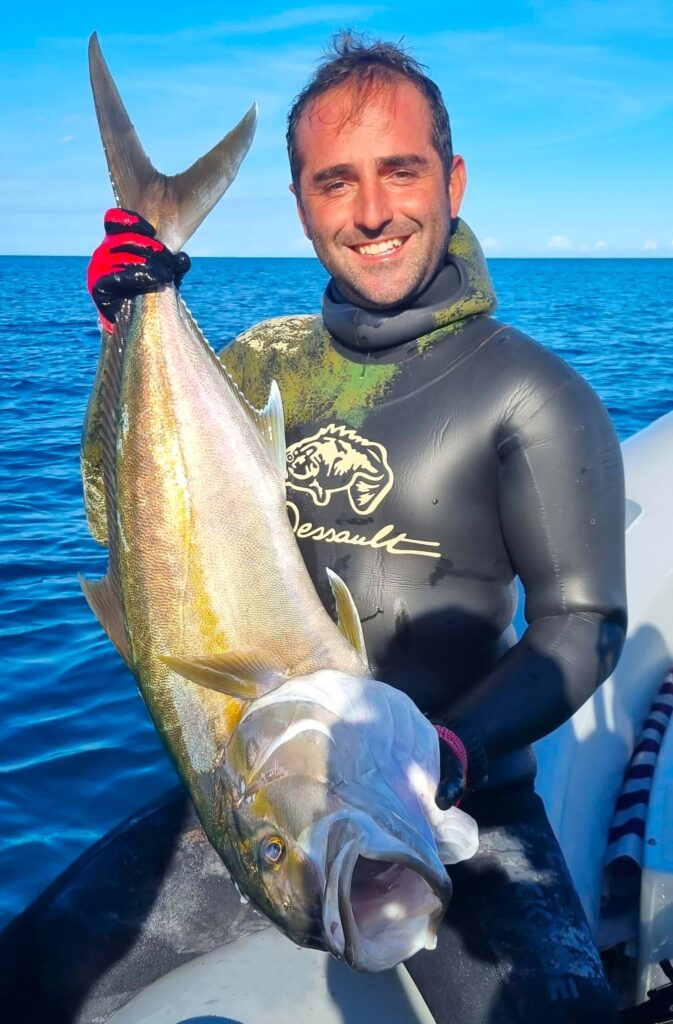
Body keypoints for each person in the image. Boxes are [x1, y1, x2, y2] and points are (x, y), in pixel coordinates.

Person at [85, 33, 627, 1024]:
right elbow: (109, 514)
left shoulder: (532, 394)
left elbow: (581, 623)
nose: (372, 211)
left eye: (401, 171)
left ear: (452, 178)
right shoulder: (258, 364)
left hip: (469, 801)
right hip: (268, 798)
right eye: (335, 182)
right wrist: (127, 338)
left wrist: (447, 753)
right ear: (299, 203)